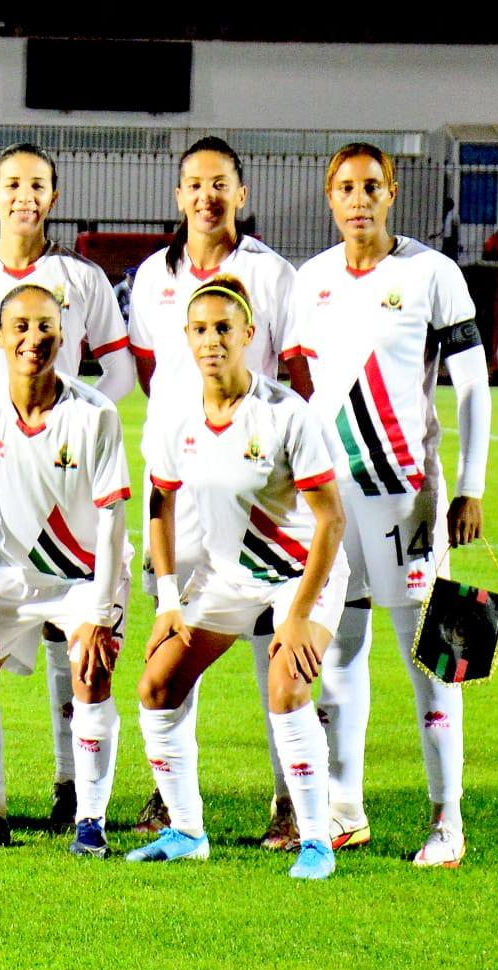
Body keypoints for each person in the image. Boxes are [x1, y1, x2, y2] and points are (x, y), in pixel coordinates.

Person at [289, 142, 491, 867]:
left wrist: (470, 485)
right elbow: (296, 394)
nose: (358, 198)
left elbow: (471, 387)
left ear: (391, 192)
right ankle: (345, 809)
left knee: (434, 660)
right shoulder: (309, 281)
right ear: (328, 195)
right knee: (339, 650)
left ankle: (447, 822)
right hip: (333, 509)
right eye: (345, 187)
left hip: (409, 500)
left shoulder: (432, 275)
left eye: (371, 186)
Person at [0, 141, 134, 828]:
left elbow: (121, 372)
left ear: (53, 194)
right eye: (10, 183)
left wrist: (70, 423)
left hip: (66, 484)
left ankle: (74, 789)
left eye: (36, 183)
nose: (23, 194)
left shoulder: (82, 280)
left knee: (68, 645)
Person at [126, 136, 312, 847]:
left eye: (220, 184)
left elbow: (297, 375)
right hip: (177, 486)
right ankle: (173, 799)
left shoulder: (271, 276)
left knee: (275, 637)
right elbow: (152, 373)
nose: (206, 196)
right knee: (177, 631)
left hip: (257, 490)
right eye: (193, 184)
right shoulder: (149, 278)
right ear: (178, 196)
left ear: (240, 193)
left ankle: (288, 798)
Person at [133, 275, 347, 880]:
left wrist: (300, 615)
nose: (212, 340)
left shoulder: (286, 415)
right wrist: (169, 602)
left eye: (224, 328)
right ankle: (185, 830)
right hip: (228, 577)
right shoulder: (176, 417)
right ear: (186, 338)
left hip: (302, 576)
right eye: (200, 330)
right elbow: (159, 505)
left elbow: (331, 522)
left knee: (286, 686)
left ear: (249, 335)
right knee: (156, 685)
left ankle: (315, 839)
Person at [434, 196, 460, 262]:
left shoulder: (454, 215)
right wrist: (437, 235)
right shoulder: (447, 215)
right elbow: (445, 228)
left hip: (451, 239)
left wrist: (455, 240)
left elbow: (455, 228)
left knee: (450, 256)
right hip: (447, 239)